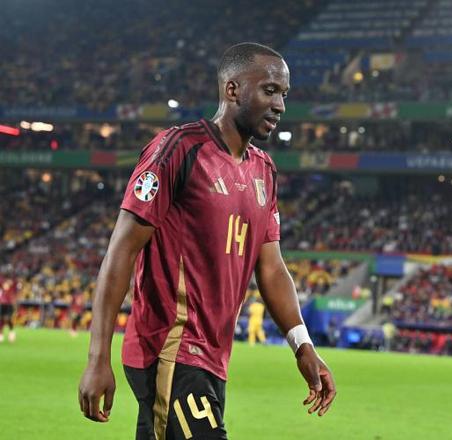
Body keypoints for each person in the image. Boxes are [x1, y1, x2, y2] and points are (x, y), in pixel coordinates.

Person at [78, 42, 336, 440]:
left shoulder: (264, 171)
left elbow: (271, 268)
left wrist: (303, 346)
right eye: (269, 90)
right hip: (170, 348)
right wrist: (98, 357)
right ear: (232, 89)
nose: (280, 105)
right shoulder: (178, 149)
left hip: (213, 359)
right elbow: (122, 250)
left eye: (284, 94)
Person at [0, 277, 17, 343]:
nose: (5, 285)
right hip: (2, 305)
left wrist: (11, 281)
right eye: (5, 284)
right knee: (1, 319)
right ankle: (1, 334)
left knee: (7, 318)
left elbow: (15, 282)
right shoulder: (2, 291)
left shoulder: (11, 290)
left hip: (9, 305)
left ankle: (11, 332)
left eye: (7, 284)